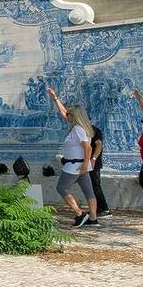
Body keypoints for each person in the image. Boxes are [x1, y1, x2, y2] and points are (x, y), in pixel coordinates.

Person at [47, 88, 100, 228]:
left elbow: (87, 148)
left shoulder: (78, 129)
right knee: (88, 190)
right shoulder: (81, 127)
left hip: (75, 165)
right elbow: (63, 113)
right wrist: (55, 98)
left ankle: (79, 213)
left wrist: (84, 165)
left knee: (62, 188)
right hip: (81, 164)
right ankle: (93, 219)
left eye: (70, 113)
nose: (67, 115)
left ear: (75, 116)